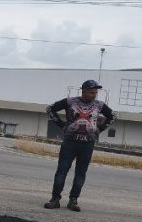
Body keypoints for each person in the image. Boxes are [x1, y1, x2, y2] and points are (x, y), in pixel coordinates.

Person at [44, 79, 115, 212]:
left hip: (87, 144)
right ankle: (55, 199)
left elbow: (112, 116)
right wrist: (61, 125)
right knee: (61, 171)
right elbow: (50, 109)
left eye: (95, 92)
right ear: (84, 91)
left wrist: (100, 129)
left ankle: (73, 200)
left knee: (81, 173)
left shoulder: (99, 105)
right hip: (70, 143)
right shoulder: (70, 102)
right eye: (91, 92)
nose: (94, 95)